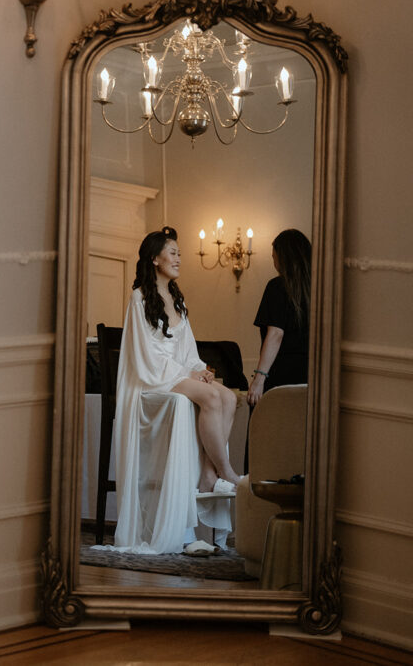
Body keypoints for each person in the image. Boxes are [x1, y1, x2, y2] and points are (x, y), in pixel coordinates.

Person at [110, 226, 240, 554]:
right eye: (173, 253)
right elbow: (146, 356)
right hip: (153, 377)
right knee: (211, 397)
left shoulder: (178, 300)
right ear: (155, 259)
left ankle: (209, 473)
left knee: (227, 395)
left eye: (180, 253)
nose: (179, 258)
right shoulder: (139, 297)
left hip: (177, 372)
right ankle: (224, 470)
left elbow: (187, 354)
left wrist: (200, 372)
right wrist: (189, 375)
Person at [247, 229, 312, 406]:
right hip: (312, 374)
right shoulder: (318, 288)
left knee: (269, 428)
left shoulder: (277, 286)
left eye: (274, 257)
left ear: (283, 258)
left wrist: (259, 379)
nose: (273, 262)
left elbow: (276, 334)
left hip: (281, 375)